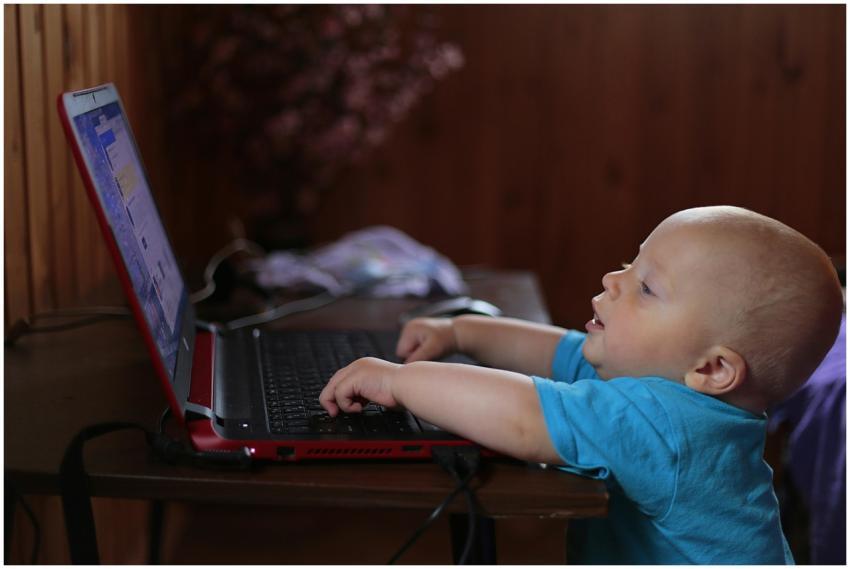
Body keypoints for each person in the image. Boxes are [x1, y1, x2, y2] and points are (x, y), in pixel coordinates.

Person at [319, 205, 844, 564]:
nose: (613, 281)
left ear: (712, 369)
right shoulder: (667, 384)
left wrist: (401, 382)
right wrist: (460, 331)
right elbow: (557, 351)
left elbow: (523, 416)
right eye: (629, 263)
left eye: (646, 287)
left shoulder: (668, 423)